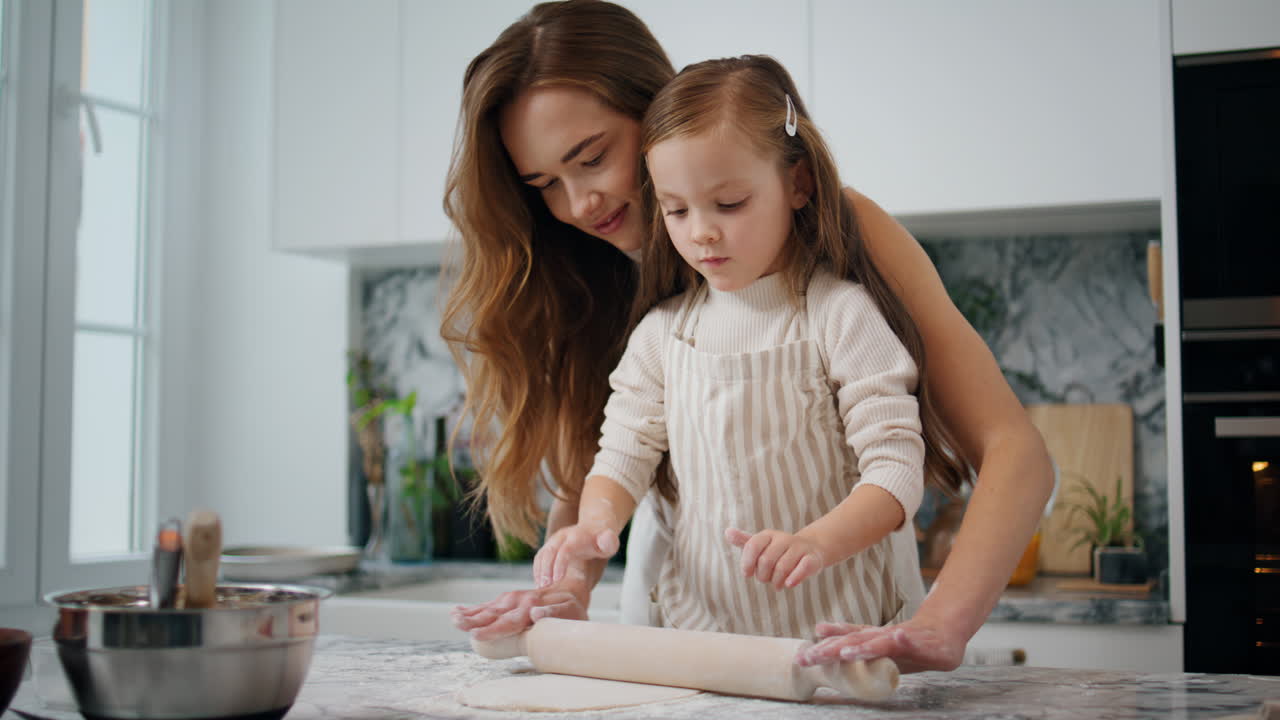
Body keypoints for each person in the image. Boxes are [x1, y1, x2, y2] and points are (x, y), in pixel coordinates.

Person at [445, 0, 1053, 672]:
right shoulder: (586, 274)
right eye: (544, 184)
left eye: (591, 158)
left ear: (657, 111)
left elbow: (1014, 451)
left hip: (841, 628)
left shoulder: (840, 240)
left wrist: (940, 623)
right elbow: (607, 465)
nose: (578, 204)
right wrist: (564, 589)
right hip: (681, 638)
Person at [530, 53, 968, 639]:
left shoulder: (840, 315)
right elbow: (621, 456)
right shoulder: (661, 335)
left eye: (729, 204)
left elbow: (894, 470)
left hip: (843, 636)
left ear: (797, 183)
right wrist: (595, 524)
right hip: (699, 645)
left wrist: (818, 542)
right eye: (676, 210)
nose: (701, 232)